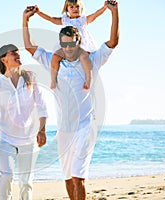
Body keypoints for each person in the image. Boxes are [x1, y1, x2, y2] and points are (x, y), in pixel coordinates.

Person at [23, 1, 119, 199]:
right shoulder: (53, 61)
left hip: (86, 126)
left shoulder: (91, 60)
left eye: (71, 43)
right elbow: (28, 46)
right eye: (64, 44)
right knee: (67, 178)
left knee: (78, 178)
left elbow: (112, 42)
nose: (68, 48)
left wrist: (114, 13)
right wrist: (25, 20)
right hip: (64, 130)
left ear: (79, 42)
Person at [0, 44, 48, 200]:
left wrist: (42, 130)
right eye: (13, 53)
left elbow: (42, 106)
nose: (18, 55)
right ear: (3, 59)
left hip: (29, 139)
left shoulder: (30, 78)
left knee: (26, 182)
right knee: (6, 176)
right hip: (6, 139)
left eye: (18, 52)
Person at [34, 0, 108, 90]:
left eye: (77, 6)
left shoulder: (83, 20)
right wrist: (39, 12)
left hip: (81, 46)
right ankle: (53, 79)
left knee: (85, 59)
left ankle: (88, 79)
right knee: (55, 57)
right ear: (67, 9)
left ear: (81, 8)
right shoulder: (65, 20)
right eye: (71, 7)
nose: (75, 9)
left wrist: (104, 7)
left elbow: (95, 15)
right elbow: (51, 19)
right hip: (67, 46)